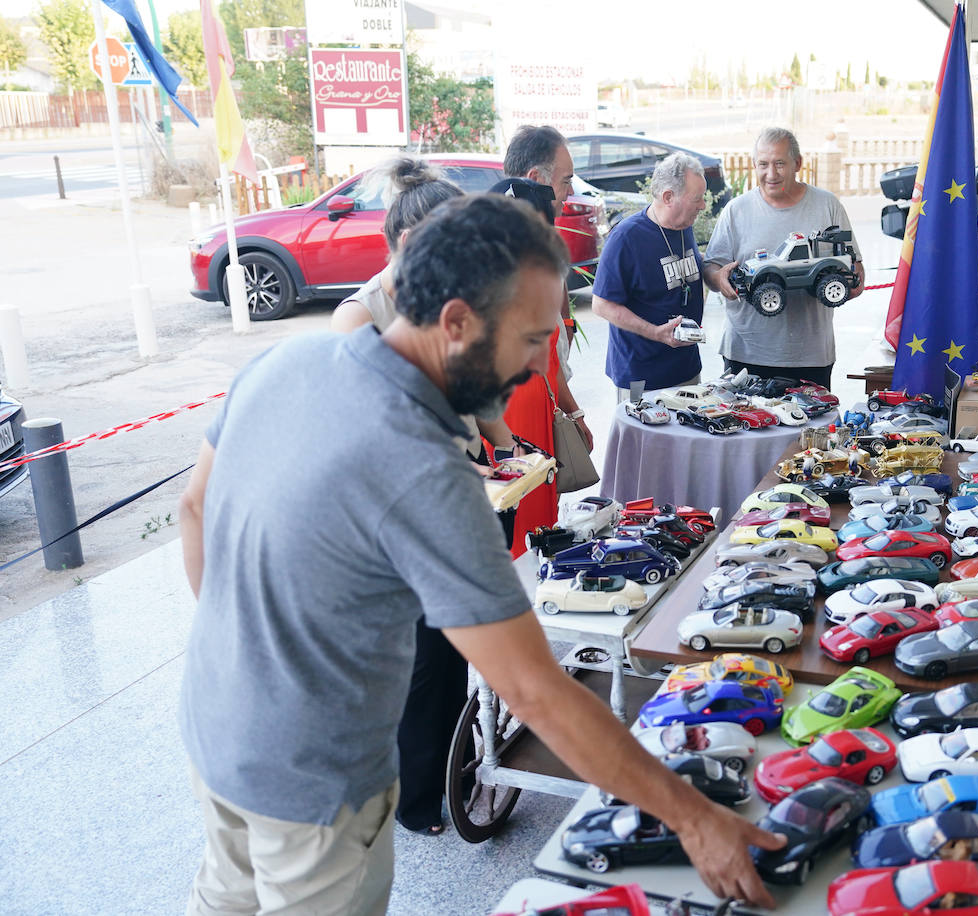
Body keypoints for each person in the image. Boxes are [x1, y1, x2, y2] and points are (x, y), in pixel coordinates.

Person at [178, 194, 784, 914]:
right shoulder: (424, 472)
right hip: (315, 783)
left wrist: (250, 654)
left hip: (213, 724)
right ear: (458, 321)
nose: (535, 366)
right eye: (530, 340)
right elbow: (532, 691)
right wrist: (692, 816)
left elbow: (193, 511)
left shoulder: (287, 361)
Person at [330, 156, 502, 838]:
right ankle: (419, 797)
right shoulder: (357, 317)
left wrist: (505, 446)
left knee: (453, 648)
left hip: (457, 495)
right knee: (425, 660)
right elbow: (360, 434)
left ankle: (451, 769)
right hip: (393, 517)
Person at [703, 127, 866, 390]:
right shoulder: (736, 210)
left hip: (810, 355)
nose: (771, 174)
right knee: (743, 425)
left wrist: (848, 283)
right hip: (746, 352)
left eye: (780, 163)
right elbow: (712, 267)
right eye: (763, 164)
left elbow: (855, 267)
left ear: (798, 163)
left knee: (810, 430)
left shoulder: (827, 205)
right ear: (754, 165)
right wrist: (718, 278)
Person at [497, 125, 591, 545]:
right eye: (566, 181)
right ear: (535, 182)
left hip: (540, 424)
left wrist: (571, 413)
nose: (570, 193)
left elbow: (551, 359)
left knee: (541, 530)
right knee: (519, 536)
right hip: (509, 434)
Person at [591, 151, 707, 400]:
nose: (703, 205)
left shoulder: (683, 225)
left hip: (686, 369)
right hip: (642, 377)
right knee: (644, 438)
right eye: (697, 198)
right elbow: (601, 305)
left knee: (690, 438)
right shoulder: (626, 237)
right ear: (668, 197)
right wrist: (656, 333)